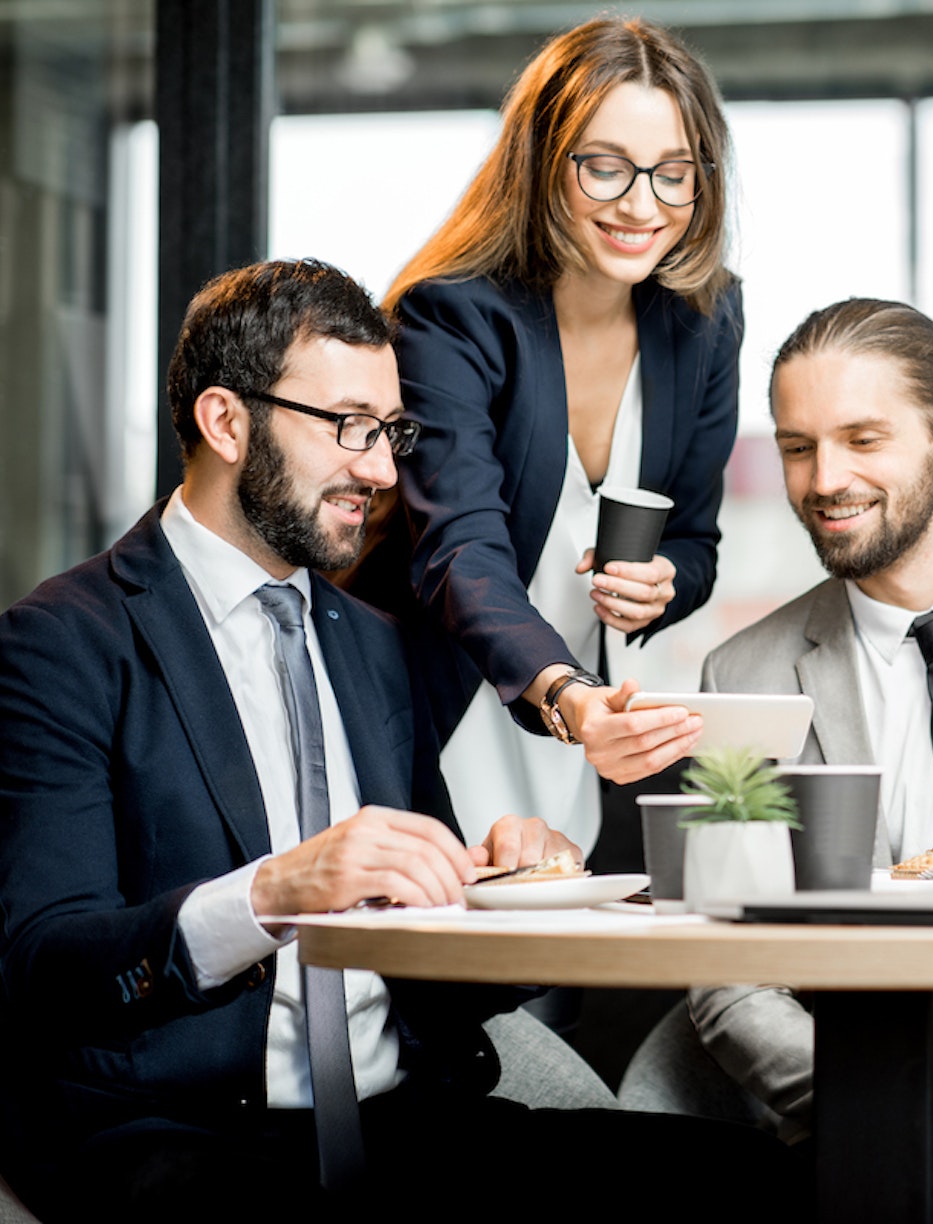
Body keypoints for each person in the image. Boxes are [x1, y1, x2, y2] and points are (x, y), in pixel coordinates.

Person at [0, 258, 796, 1221]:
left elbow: (433, 968)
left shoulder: (374, 647)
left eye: (389, 432)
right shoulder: (62, 641)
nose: (381, 470)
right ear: (224, 421)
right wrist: (271, 892)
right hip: (178, 1133)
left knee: (765, 1183)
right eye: (348, 429)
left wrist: (509, 894)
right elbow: (46, 966)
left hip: (407, 1119)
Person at [362, 16, 740, 857]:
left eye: (672, 174)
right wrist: (568, 695)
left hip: (586, 727)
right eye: (604, 167)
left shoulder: (705, 321)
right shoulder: (450, 315)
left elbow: (695, 539)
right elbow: (459, 550)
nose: (641, 205)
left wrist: (662, 584)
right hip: (448, 700)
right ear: (543, 162)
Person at [652, 298, 933, 1142]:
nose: (825, 481)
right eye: (797, 447)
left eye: (864, 440)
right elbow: (728, 970)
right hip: (856, 1118)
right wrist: (882, 1117)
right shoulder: (742, 677)